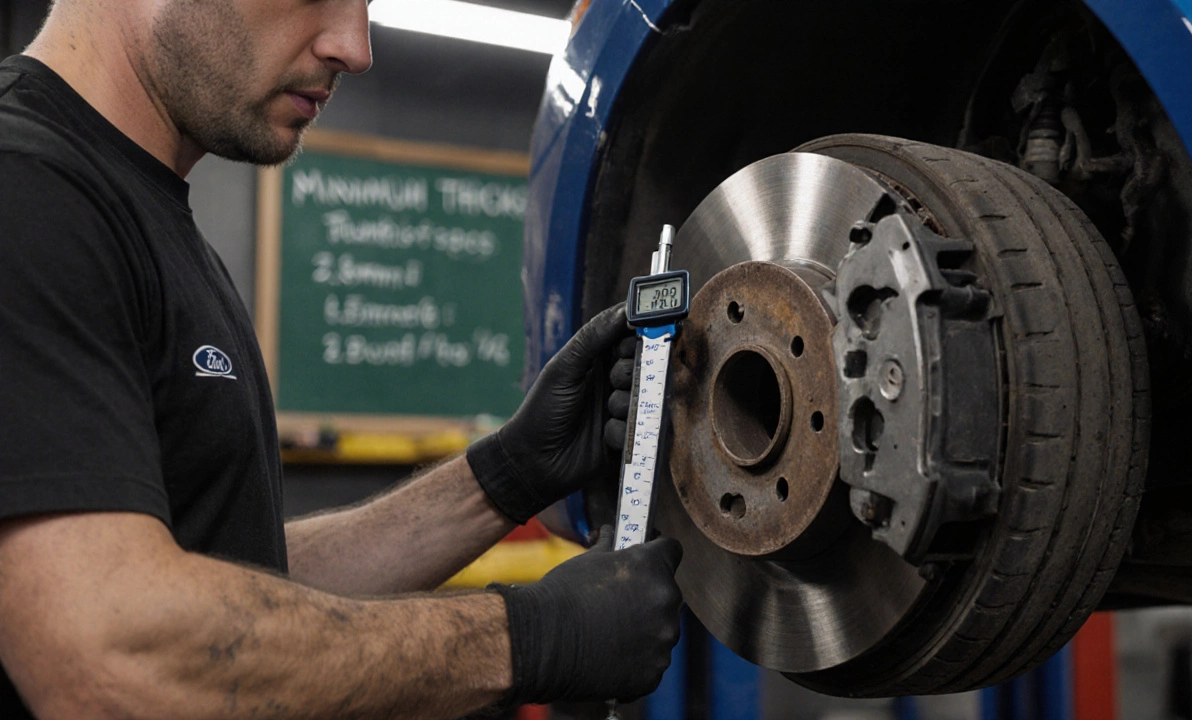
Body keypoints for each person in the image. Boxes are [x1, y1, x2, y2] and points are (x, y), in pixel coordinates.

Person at [0, 1, 683, 718]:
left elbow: (239, 578)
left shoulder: (143, 216)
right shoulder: (28, 192)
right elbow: (105, 661)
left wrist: (501, 478)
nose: (355, 48)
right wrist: (529, 639)